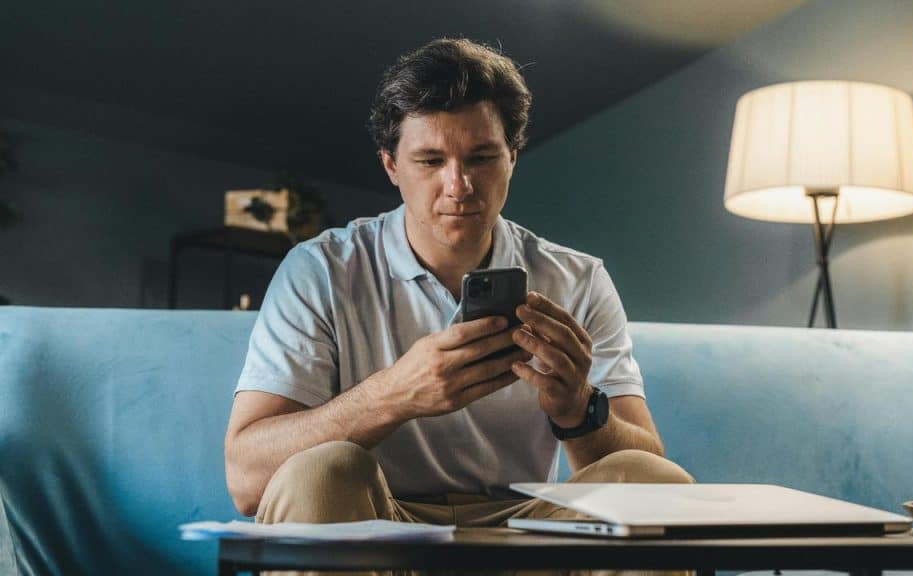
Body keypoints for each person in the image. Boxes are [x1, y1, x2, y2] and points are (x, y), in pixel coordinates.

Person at [224, 37, 694, 575]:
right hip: (377, 524)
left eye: (482, 157)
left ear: (513, 157)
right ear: (391, 166)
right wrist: (394, 395)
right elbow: (245, 480)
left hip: (529, 531)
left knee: (651, 481)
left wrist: (577, 409)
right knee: (323, 472)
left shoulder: (578, 280)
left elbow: (643, 466)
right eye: (429, 160)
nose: (460, 186)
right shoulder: (321, 270)